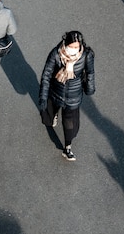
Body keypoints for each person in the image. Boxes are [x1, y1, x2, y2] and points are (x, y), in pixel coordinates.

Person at [38, 31, 95, 161]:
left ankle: (67, 147)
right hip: (56, 91)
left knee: (70, 124)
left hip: (73, 97)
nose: (73, 50)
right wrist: (42, 97)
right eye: (71, 46)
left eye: (76, 47)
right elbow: (46, 75)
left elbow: (90, 73)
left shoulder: (86, 55)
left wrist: (90, 89)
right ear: (66, 44)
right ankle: (54, 115)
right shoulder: (56, 53)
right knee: (49, 114)